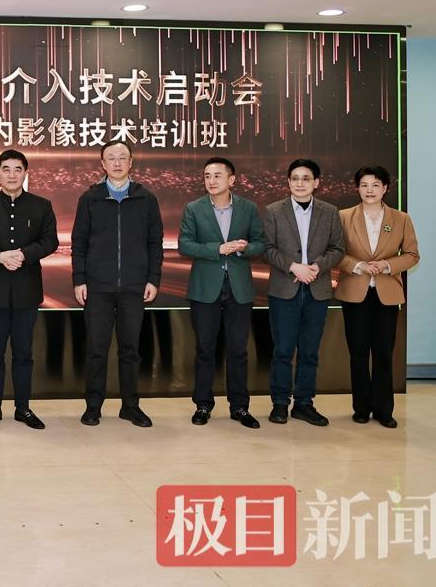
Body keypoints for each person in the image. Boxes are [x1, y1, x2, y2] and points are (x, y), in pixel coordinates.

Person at [71, 141, 163, 429]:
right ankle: (93, 406)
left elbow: (155, 243)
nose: (117, 162)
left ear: (131, 162)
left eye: (123, 157)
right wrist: (79, 279)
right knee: (96, 349)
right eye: (111, 158)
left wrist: (153, 278)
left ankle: (130, 406)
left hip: (134, 287)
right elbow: (79, 242)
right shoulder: (90, 198)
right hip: (97, 287)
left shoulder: (146, 198)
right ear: (103, 164)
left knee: (130, 349)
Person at [0, 150, 58, 430]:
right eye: (6, 169)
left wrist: (24, 254)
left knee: (23, 354)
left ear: (25, 173)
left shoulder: (41, 205)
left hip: (27, 291)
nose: (12, 174)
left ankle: (23, 408)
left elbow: (50, 241)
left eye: (18, 169)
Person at [177, 157, 266, 429]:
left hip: (239, 288)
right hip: (205, 288)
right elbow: (185, 244)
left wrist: (244, 248)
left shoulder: (248, 208)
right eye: (207, 176)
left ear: (231, 179)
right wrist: (217, 249)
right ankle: (203, 405)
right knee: (205, 349)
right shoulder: (194, 208)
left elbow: (261, 244)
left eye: (217, 175)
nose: (211, 180)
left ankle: (239, 407)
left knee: (238, 350)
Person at [262, 158, 344, 426]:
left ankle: (304, 403)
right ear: (288, 182)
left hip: (317, 290)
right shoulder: (273, 211)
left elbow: (338, 249)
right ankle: (280, 403)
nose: (300, 183)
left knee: (310, 351)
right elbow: (267, 248)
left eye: (306, 178)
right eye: (295, 178)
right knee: (283, 350)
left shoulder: (330, 212)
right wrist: (293, 266)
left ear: (316, 183)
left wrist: (317, 267)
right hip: (284, 289)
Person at [336, 165, 420, 429]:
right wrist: (358, 265)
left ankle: (384, 410)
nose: (369, 190)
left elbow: (412, 255)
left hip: (387, 293)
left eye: (375, 185)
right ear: (357, 188)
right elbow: (334, 252)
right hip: (354, 292)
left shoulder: (401, 219)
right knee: (358, 352)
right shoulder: (343, 216)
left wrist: (386, 265)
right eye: (364, 185)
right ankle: (361, 408)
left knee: (384, 353)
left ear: (385, 188)